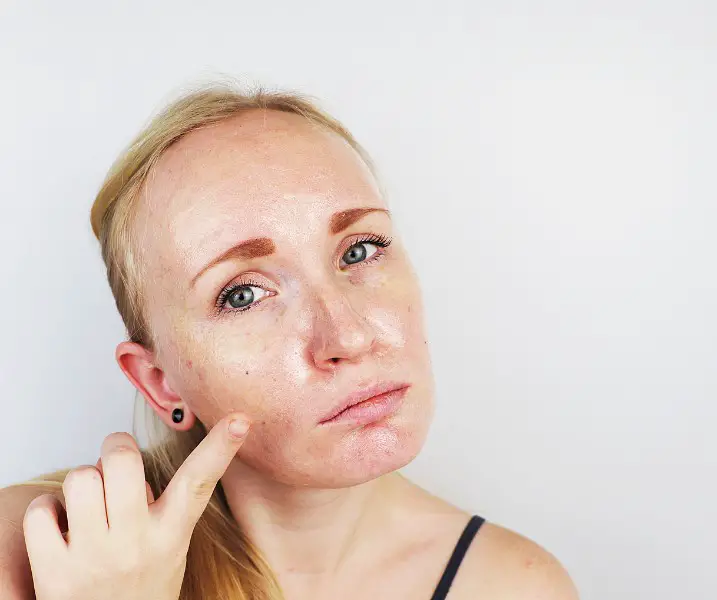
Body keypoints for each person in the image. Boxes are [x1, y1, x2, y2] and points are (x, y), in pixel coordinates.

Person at [0, 82, 579, 600]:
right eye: (244, 294)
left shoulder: (517, 586)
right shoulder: (35, 554)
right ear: (159, 381)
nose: (348, 336)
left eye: (360, 250)